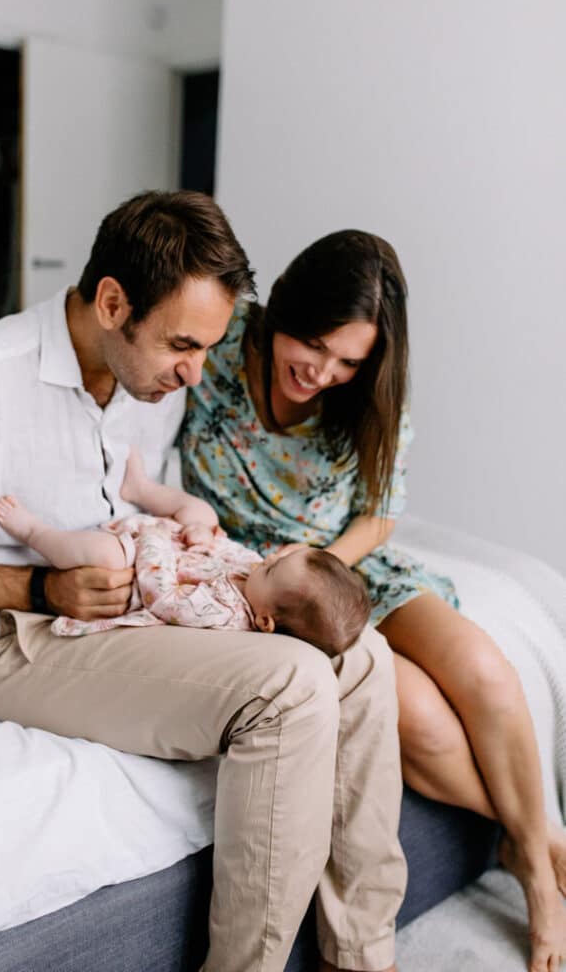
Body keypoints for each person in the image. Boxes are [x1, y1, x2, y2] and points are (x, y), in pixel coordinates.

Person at [0, 192, 406, 972]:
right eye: (182, 345)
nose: (198, 371)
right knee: (293, 684)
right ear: (112, 302)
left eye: (208, 346)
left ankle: (360, 959)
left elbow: (149, 506)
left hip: (129, 619)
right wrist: (35, 588)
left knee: (362, 658)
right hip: (17, 640)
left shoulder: (152, 387)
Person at [179, 228, 566, 972]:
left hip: (347, 565)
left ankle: (535, 864)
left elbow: (380, 511)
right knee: (413, 714)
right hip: (278, 588)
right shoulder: (218, 355)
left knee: (483, 670)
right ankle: (539, 848)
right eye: (314, 345)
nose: (320, 372)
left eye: (346, 361)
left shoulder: (365, 393)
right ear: (287, 307)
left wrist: (324, 558)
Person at [0, 446, 370, 657]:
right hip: (175, 544)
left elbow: (163, 597)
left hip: (138, 569)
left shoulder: (224, 614)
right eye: (281, 556)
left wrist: (154, 539)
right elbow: (226, 550)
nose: (268, 558)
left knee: (103, 555)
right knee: (203, 513)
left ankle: (34, 532)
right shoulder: (258, 579)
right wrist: (203, 537)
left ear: (264, 622)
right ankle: (139, 489)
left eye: (274, 569)